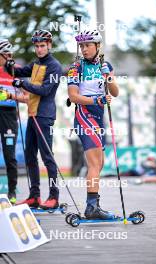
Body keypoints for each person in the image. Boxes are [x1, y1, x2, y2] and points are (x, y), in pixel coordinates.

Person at [5, 30, 62, 209]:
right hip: (32, 114)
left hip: (44, 115)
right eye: (36, 46)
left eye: (42, 46)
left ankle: (54, 197)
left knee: (47, 157)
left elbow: (45, 90)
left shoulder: (54, 66)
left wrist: (22, 83)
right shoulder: (37, 62)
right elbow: (19, 72)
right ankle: (35, 196)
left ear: (49, 45)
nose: (39, 49)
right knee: (30, 156)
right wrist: (9, 62)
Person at [67, 29, 119, 219]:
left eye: (88, 45)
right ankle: (91, 208)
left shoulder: (106, 65)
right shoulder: (76, 67)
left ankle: (94, 205)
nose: (84, 49)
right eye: (82, 46)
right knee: (95, 163)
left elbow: (115, 93)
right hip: (84, 116)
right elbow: (73, 96)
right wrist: (97, 100)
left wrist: (109, 77)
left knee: (100, 163)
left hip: (99, 118)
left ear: (97, 46)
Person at [0, 39, 28, 204]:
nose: (10, 57)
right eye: (7, 54)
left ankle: (12, 192)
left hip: (9, 115)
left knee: (9, 155)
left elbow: (27, 97)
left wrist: (11, 96)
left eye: (11, 54)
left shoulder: (15, 70)